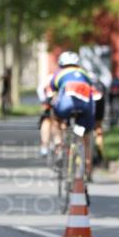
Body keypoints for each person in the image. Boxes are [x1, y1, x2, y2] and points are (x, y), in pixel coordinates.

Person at [47, 51, 97, 180]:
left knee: (54, 118)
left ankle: (59, 145)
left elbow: (52, 91)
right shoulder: (84, 73)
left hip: (67, 105)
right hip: (86, 107)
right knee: (86, 136)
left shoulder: (59, 73)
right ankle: (88, 168)